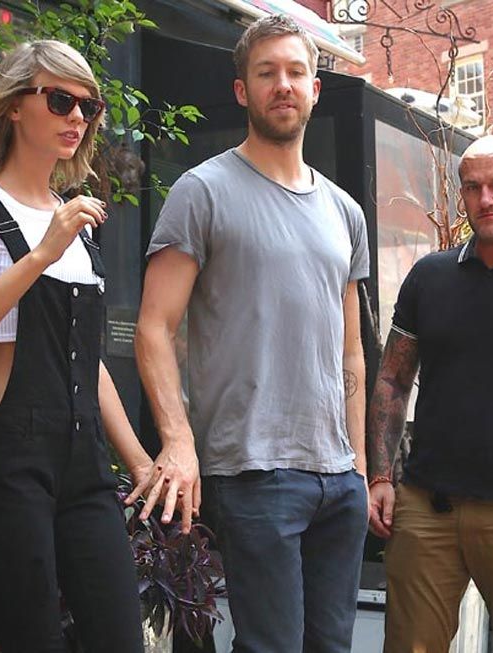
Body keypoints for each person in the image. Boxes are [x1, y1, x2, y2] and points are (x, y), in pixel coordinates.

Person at [129, 14, 370, 653]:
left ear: (317, 89)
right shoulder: (201, 191)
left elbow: (350, 348)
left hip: (338, 478)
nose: (282, 85)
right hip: (253, 469)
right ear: (243, 90)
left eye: (296, 72)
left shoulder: (346, 211)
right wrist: (178, 442)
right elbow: (153, 328)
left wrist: (362, 471)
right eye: (266, 74)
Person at [0, 40, 150, 653]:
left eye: (89, 106)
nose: (78, 118)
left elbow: (87, 362)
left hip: (85, 458)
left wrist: (136, 457)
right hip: (12, 453)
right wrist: (41, 255)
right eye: (60, 100)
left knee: (119, 637)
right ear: (16, 108)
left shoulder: (68, 214)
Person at [368, 134, 493, 652]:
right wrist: (382, 475)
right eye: (472, 188)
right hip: (430, 509)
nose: (486, 199)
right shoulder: (430, 277)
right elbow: (391, 379)